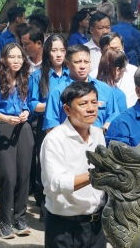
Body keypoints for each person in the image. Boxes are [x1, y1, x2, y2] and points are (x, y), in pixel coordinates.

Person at [41, 82, 107, 248]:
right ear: (67, 109)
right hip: (65, 227)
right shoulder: (54, 140)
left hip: (97, 224)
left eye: (94, 102)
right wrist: (95, 174)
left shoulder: (98, 134)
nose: (91, 108)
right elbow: (55, 184)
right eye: (83, 104)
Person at [0, 43, 34, 239]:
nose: (16, 61)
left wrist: (26, 112)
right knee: (8, 177)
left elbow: (30, 102)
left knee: (24, 176)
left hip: (24, 128)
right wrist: (6, 118)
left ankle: (20, 218)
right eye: (12, 57)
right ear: (4, 59)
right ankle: (5, 221)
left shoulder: (26, 79)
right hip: (3, 127)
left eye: (19, 57)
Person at [28, 34, 69, 220]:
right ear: (47, 52)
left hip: (69, 126)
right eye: (54, 50)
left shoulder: (72, 74)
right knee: (47, 165)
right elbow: (33, 105)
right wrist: (55, 105)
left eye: (62, 50)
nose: (58, 54)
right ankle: (45, 205)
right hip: (45, 125)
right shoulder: (38, 76)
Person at [43, 44, 119, 132]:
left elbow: (114, 116)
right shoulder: (57, 92)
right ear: (68, 64)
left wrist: (102, 131)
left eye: (86, 62)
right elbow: (51, 127)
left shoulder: (104, 88)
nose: (83, 66)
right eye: (78, 62)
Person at [90, 32, 138, 108]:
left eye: (117, 49)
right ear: (101, 52)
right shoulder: (94, 75)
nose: (114, 53)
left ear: (123, 48)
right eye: (110, 50)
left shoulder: (134, 71)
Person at [96, 47, 128, 112]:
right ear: (117, 70)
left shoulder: (89, 88)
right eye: (123, 71)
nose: (122, 74)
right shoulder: (118, 95)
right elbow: (123, 120)